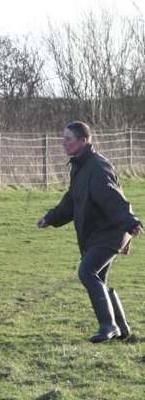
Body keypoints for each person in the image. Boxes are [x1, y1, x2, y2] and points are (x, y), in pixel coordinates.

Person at [37, 121, 142, 342]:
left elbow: (112, 198)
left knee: (87, 272)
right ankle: (121, 328)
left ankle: (108, 325)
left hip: (111, 232)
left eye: (68, 139)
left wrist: (131, 222)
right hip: (98, 233)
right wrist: (51, 218)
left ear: (83, 141)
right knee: (98, 279)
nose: (63, 143)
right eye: (63, 138)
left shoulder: (96, 167)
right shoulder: (79, 166)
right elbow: (72, 200)